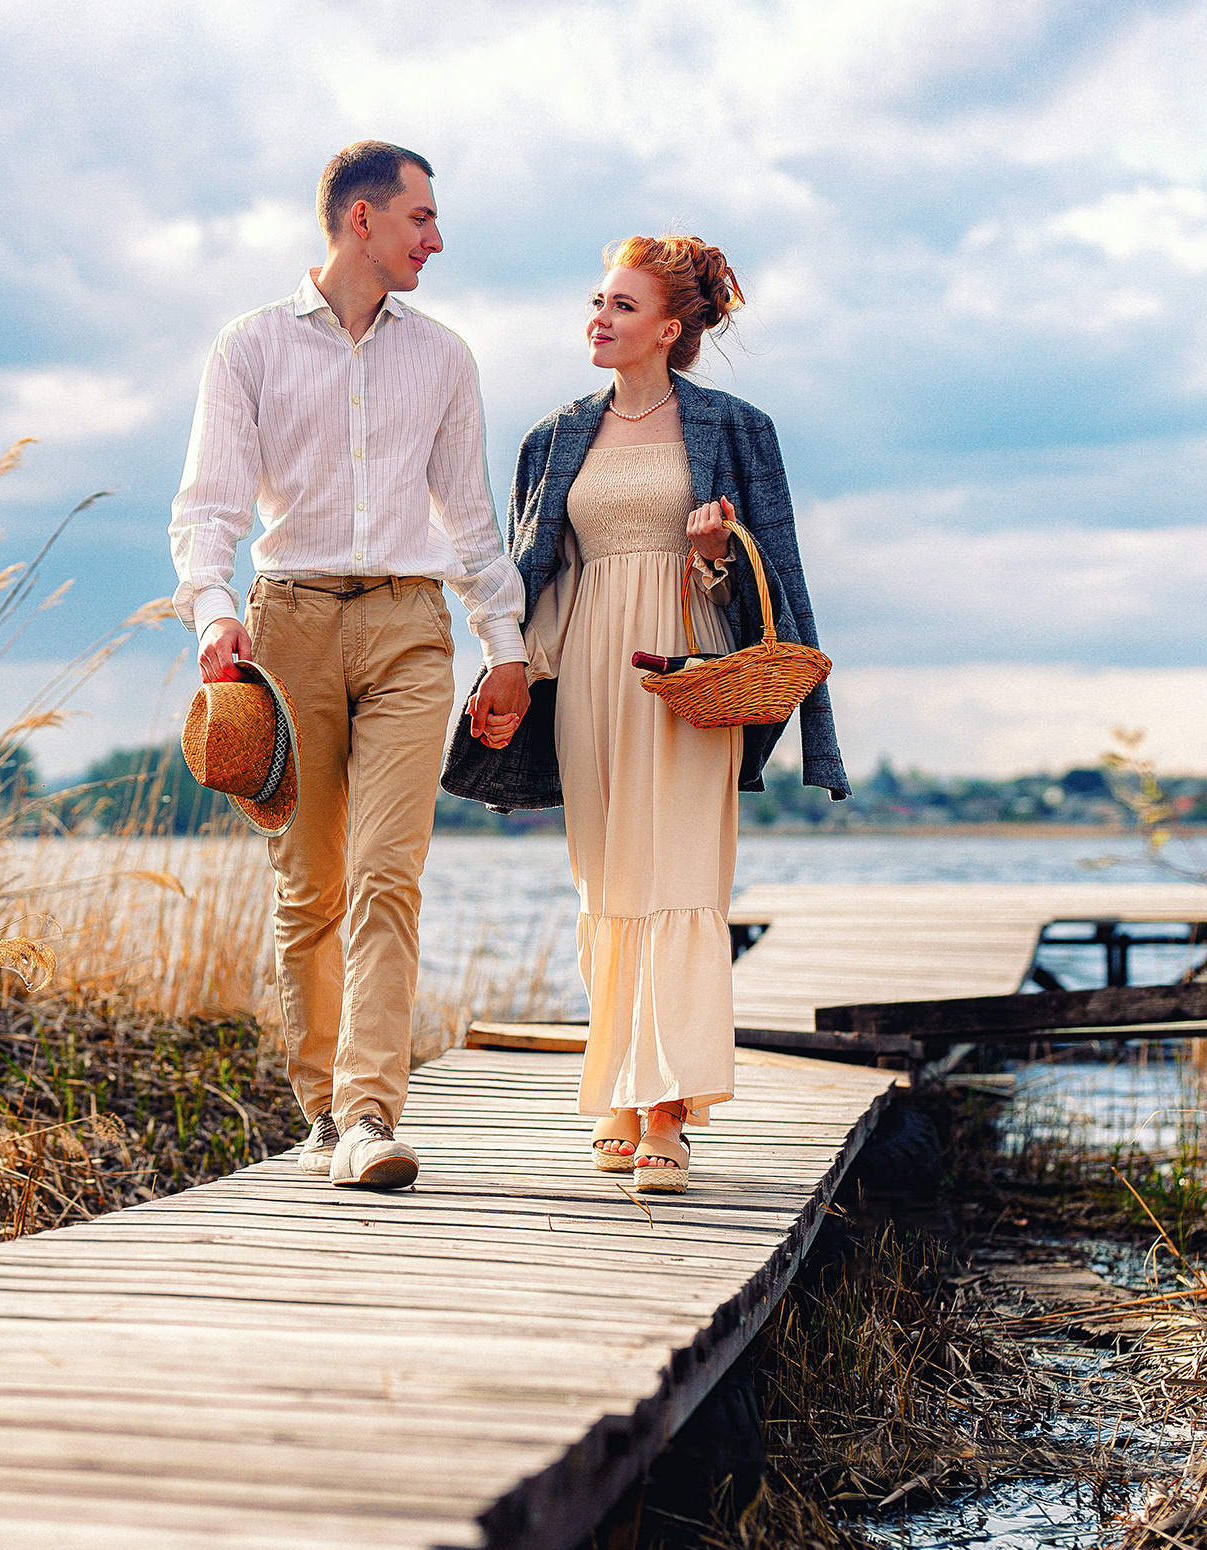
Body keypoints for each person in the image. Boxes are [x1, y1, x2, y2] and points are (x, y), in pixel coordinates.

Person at [169, 140, 531, 1190]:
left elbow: (470, 521)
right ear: (360, 220)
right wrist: (211, 616)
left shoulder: (445, 358)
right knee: (311, 885)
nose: (437, 237)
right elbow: (210, 508)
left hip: (412, 627)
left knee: (389, 873)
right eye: (421, 217)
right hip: (289, 627)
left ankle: (373, 1113)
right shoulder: (248, 348)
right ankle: (322, 1110)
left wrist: (502, 647)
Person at [506, 235, 849, 1194]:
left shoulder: (737, 428)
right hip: (588, 673)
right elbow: (539, 571)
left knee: (683, 878)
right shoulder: (553, 436)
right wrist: (515, 676)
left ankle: (669, 1111)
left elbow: (767, 574)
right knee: (608, 881)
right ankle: (619, 1085)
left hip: (690, 672)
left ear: (669, 328)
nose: (598, 317)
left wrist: (711, 556)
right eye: (596, 301)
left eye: (621, 305)